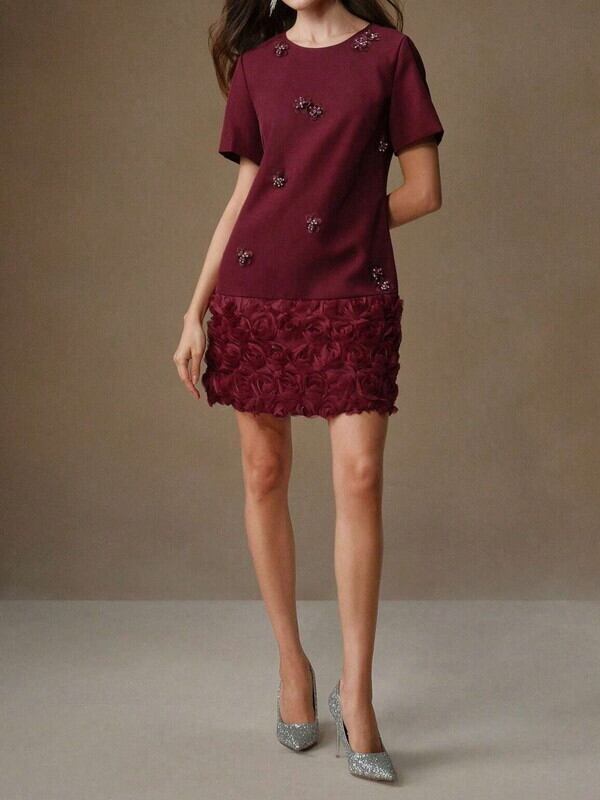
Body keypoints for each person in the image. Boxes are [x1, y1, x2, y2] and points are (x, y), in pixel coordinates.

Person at [173, 0, 443, 783]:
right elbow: (244, 200)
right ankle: (292, 665)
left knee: (359, 477)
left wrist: (339, 232)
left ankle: (356, 693)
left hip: (354, 295)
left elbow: (424, 190)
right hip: (255, 295)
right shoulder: (258, 68)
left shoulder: (389, 55)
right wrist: (193, 313)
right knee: (264, 475)